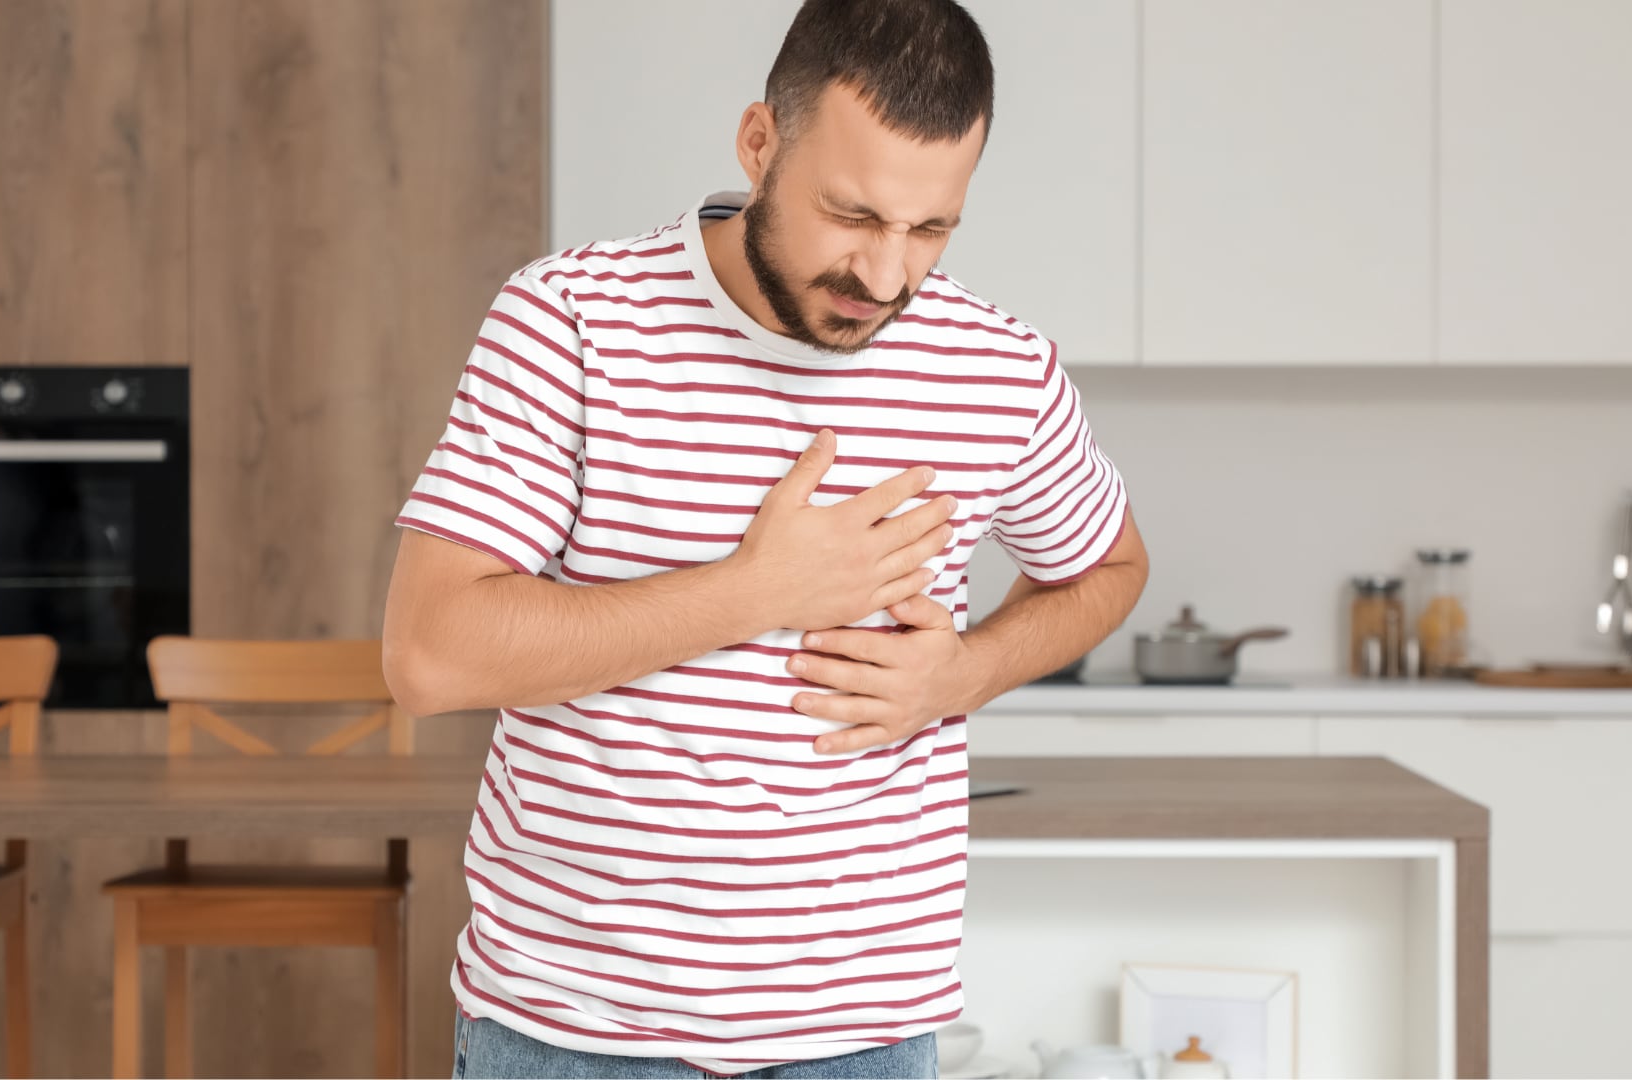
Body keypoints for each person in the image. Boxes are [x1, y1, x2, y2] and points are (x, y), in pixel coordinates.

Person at [382, 1, 1149, 1075]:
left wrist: (963, 674)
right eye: (852, 216)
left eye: (928, 230)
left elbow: (1111, 567)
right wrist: (759, 590)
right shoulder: (570, 323)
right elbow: (430, 655)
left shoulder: (998, 369)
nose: (884, 278)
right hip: (572, 1034)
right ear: (759, 142)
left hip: (860, 1044)